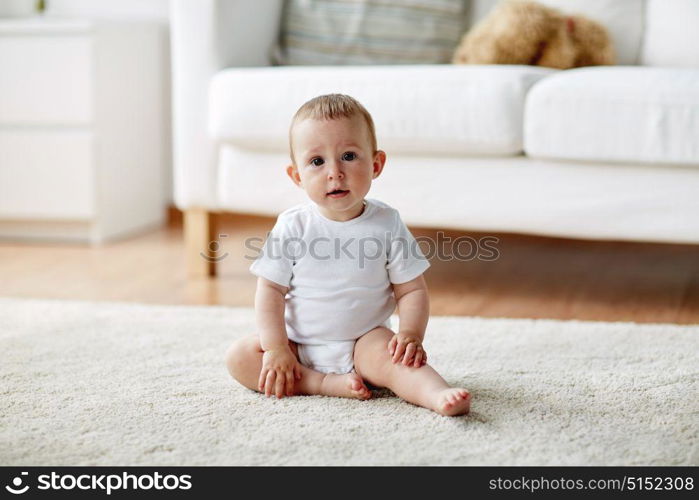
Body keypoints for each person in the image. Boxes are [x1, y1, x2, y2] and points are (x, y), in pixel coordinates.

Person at [225, 94, 470, 416]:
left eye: (349, 156)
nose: (335, 172)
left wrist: (410, 334)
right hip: (297, 344)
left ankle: (437, 394)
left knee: (396, 360)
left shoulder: (386, 223)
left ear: (376, 164)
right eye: (317, 162)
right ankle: (319, 383)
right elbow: (270, 290)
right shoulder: (293, 226)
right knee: (240, 357)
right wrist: (276, 348)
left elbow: (411, 289)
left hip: (363, 343)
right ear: (297, 176)